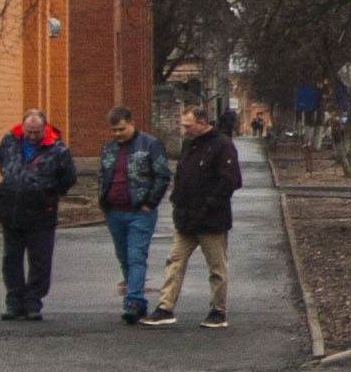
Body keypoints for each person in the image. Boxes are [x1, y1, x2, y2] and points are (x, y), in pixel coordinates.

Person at [147, 100, 245, 328]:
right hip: (185, 218)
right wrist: (177, 201)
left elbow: (230, 180)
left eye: (188, 126)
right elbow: (182, 176)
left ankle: (218, 311)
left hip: (211, 219)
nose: (185, 130)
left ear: (202, 123)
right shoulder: (189, 145)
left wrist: (209, 203)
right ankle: (165, 307)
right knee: (174, 261)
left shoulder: (222, 145)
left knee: (217, 267)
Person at [0, 108, 76, 320]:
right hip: (11, 212)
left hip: (41, 213)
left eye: (36, 132)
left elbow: (68, 177)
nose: (32, 136)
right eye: (29, 131)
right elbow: (2, 163)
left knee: (40, 261)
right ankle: (14, 301)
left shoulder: (58, 149)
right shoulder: (9, 141)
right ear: (23, 127)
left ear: (44, 128)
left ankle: (33, 301)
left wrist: (48, 193)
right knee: (11, 260)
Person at [96, 107, 171, 325]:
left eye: (121, 129)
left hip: (140, 212)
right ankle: (135, 298)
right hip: (114, 212)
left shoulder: (150, 145)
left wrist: (150, 203)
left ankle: (134, 300)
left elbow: (162, 175)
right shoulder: (108, 148)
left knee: (136, 255)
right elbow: (104, 175)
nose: (117, 134)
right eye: (113, 130)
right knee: (123, 256)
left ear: (132, 123)